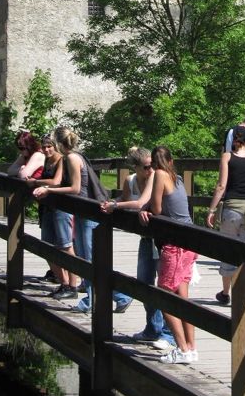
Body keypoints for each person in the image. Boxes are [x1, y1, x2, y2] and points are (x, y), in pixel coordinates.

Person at [33, 126, 131, 312]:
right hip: (82, 212)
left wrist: (48, 190)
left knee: (88, 259)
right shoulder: (75, 156)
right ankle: (119, 296)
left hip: (88, 213)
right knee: (86, 258)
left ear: (59, 143)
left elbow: (76, 188)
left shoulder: (72, 158)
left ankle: (94, 300)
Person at [100, 147, 175, 349]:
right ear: (136, 167)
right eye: (146, 167)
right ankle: (152, 328)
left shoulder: (155, 177)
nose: (151, 170)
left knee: (166, 286)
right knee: (144, 283)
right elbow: (126, 200)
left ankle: (168, 334)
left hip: (163, 238)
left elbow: (141, 202)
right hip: (146, 238)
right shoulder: (130, 181)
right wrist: (112, 202)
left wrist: (116, 207)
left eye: (152, 165)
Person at [139, 145, 198, 364]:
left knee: (163, 297)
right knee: (182, 297)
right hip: (189, 240)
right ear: (171, 161)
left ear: (154, 164)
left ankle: (182, 349)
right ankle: (191, 348)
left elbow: (156, 208)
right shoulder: (177, 177)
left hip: (174, 244)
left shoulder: (160, 175)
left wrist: (145, 210)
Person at [207, 125, 245, 305]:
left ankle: (226, 293)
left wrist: (211, 210)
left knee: (228, 252)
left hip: (231, 210)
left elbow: (221, 186)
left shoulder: (227, 157)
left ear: (234, 140)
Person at [34, 134, 66, 285]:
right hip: (46, 206)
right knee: (46, 244)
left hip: (60, 208)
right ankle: (59, 277)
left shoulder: (61, 160)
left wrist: (36, 182)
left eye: (49, 146)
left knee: (63, 245)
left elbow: (56, 181)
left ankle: (67, 282)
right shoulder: (46, 160)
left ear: (55, 146)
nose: (46, 150)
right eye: (44, 147)